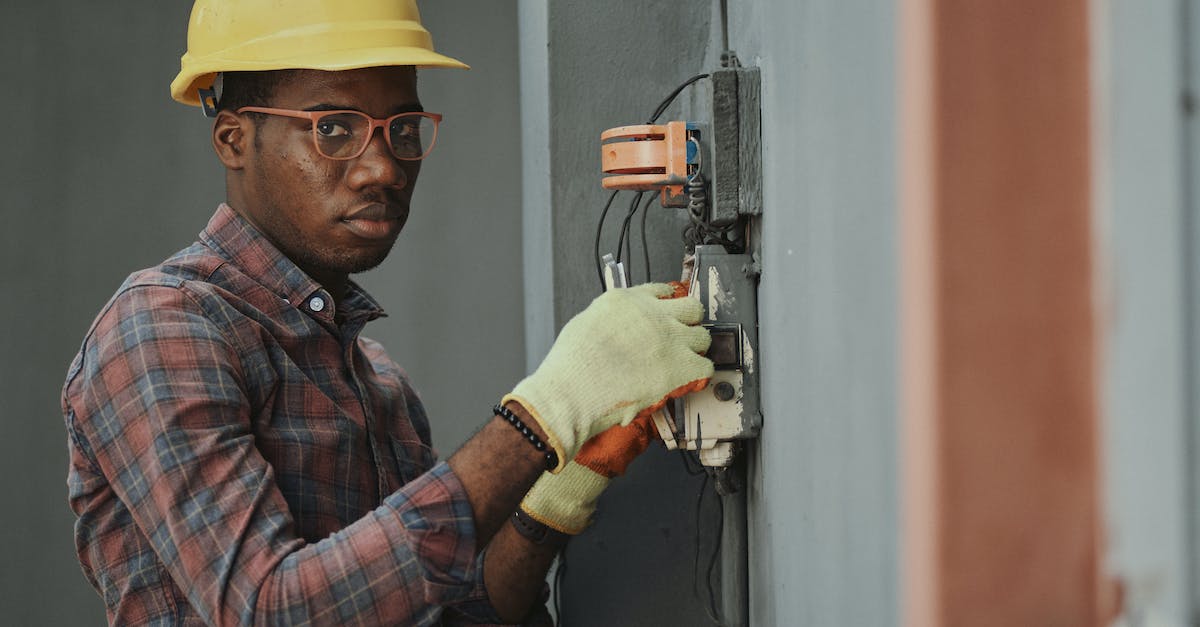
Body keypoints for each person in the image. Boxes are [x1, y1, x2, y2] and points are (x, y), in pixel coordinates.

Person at [59, 1, 714, 625]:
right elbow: (272, 608)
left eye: (402, 129)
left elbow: (455, 614)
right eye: (333, 129)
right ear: (234, 139)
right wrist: (541, 418)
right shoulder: (164, 327)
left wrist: (553, 498)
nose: (382, 168)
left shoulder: (379, 384)